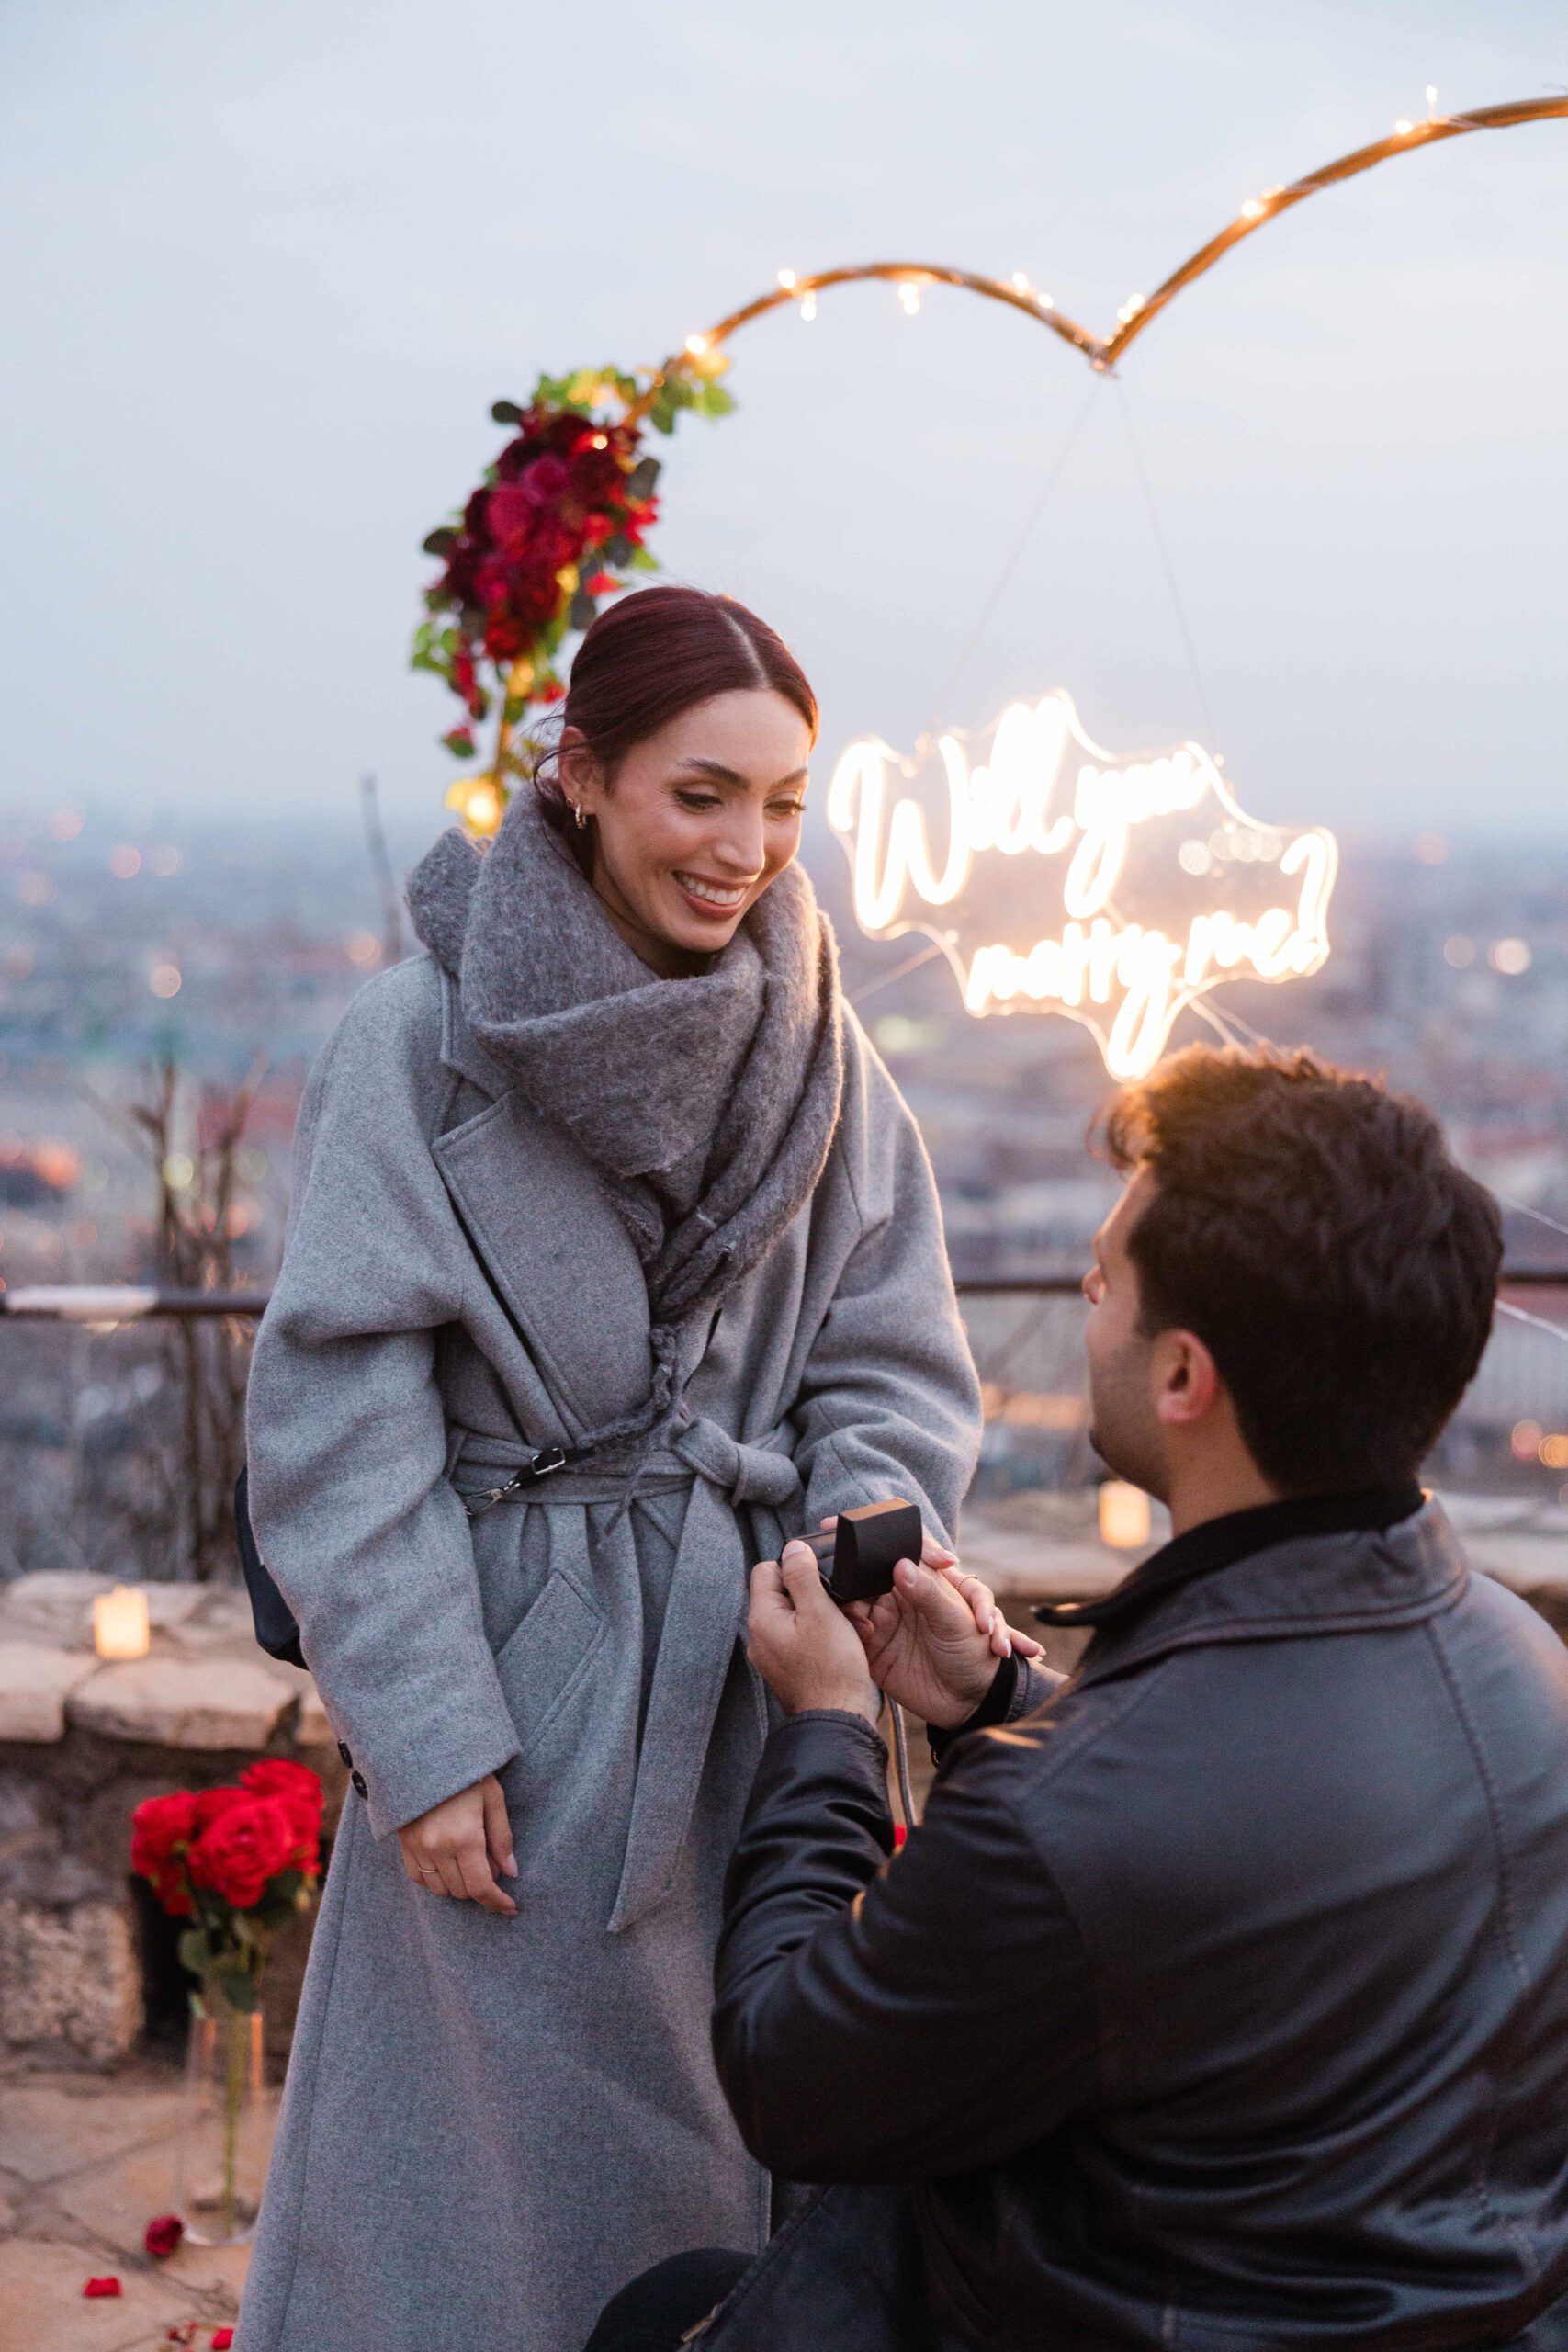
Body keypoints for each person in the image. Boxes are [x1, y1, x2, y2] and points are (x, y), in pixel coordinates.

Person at [235, 586, 997, 2352]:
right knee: (466, 2216)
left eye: (786, 802)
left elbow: (890, 1346)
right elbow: (340, 1410)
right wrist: (426, 1735)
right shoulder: (412, 1043)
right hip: (508, 1699)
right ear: (580, 776)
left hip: (749, 1684)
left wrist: (856, 1553)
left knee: (743, 2158)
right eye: (701, 793)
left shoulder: (823, 1043)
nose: (747, 848)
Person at [592, 1045, 1568, 2351]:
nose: (1084, 1293)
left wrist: (826, 1728)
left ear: (1182, 1377)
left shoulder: (1071, 1821)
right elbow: (1244, 1831)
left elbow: (790, 2074)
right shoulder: (1522, 1667)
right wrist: (997, 1698)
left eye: (1109, 1278)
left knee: (658, 2314)